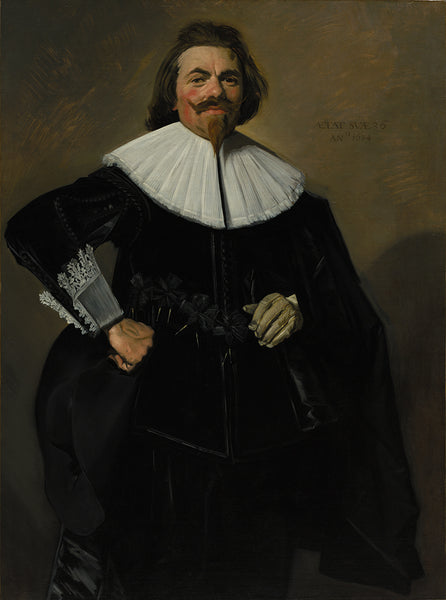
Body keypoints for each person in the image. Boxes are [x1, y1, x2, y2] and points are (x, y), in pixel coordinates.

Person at [6, 21, 423, 600]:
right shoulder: (134, 181)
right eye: (198, 77)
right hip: (158, 434)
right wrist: (109, 321)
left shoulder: (289, 193)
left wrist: (296, 308)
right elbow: (35, 228)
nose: (214, 91)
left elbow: (340, 303)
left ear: (245, 91)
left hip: (269, 446)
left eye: (229, 78)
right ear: (173, 90)